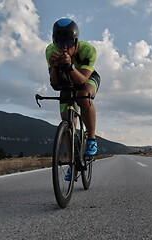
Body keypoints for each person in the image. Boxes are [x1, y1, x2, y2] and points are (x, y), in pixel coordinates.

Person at [45, 18, 100, 180]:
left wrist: (70, 66)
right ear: (54, 40)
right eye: (59, 42)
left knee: (82, 96)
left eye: (68, 42)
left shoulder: (88, 50)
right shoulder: (50, 51)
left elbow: (83, 80)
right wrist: (55, 67)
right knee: (67, 123)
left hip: (86, 76)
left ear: (76, 42)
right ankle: (72, 162)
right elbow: (54, 84)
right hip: (65, 81)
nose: (63, 47)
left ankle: (91, 138)